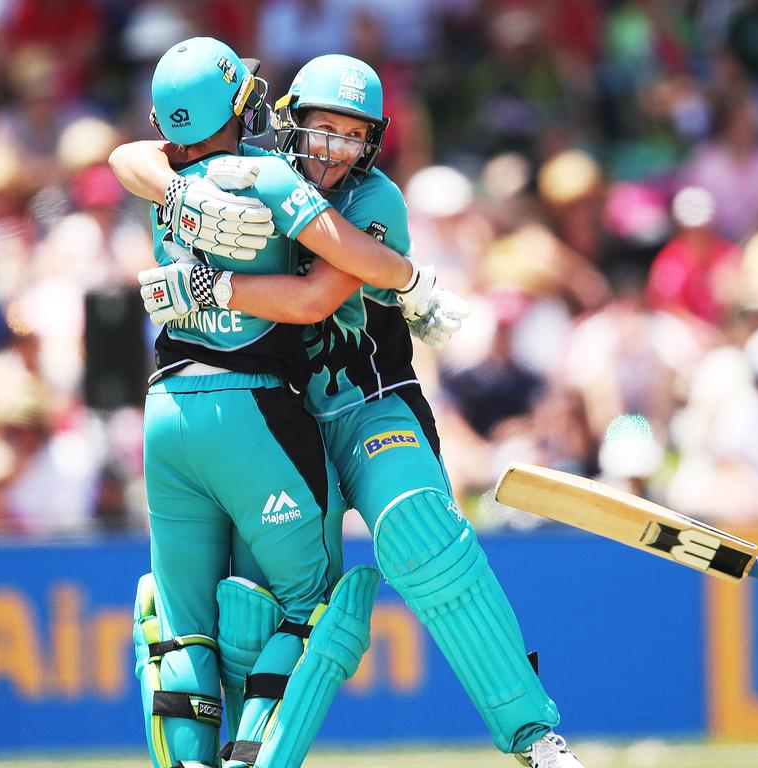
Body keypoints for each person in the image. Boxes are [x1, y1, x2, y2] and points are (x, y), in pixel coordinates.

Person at [114, 52, 581, 768]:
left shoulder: (375, 202)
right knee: (248, 611)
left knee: (423, 540)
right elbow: (137, 154)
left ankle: (533, 735)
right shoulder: (250, 163)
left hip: (367, 408)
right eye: (322, 129)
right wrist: (183, 199)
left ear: (374, 142)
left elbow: (314, 299)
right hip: (273, 419)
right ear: (288, 119)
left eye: (353, 135)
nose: (334, 149)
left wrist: (207, 288)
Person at [124, 38, 451, 768]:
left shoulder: (164, 180)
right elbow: (339, 265)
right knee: (315, 608)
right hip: (253, 413)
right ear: (241, 105)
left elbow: (129, 155)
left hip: (165, 414)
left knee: (183, 629)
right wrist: (411, 277)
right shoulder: (264, 175)